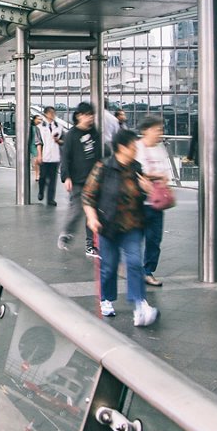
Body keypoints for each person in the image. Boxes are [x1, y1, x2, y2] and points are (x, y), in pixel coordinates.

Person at [83, 129, 158, 327]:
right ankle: (106, 299)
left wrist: (148, 190)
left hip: (133, 225)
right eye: (133, 146)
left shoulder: (136, 168)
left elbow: (143, 194)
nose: (136, 150)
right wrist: (92, 217)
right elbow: (88, 196)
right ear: (122, 148)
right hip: (108, 226)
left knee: (134, 262)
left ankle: (139, 303)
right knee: (109, 266)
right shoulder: (104, 167)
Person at [134, 116, 174, 287]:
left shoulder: (160, 149)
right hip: (138, 201)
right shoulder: (136, 147)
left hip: (156, 201)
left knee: (154, 239)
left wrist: (164, 180)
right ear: (146, 130)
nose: (160, 133)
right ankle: (133, 269)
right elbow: (136, 172)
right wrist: (157, 175)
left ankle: (148, 271)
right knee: (135, 238)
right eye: (157, 129)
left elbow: (166, 171)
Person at [58, 103, 100, 257]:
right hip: (77, 180)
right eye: (87, 114)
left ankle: (91, 246)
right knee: (77, 210)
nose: (90, 118)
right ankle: (66, 233)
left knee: (92, 213)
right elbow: (65, 157)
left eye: (92, 114)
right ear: (79, 116)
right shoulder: (72, 134)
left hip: (93, 180)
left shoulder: (94, 133)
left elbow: (99, 155)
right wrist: (66, 177)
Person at [36, 107, 64, 205]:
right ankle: (41, 191)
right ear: (45, 114)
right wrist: (39, 155)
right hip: (44, 156)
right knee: (43, 177)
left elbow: (63, 141)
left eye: (53, 113)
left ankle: (50, 199)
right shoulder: (40, 127)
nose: (52, 115)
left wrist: (58, 140)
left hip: (55, 156)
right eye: (50, 113)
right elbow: (38, 142)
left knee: (53, 179)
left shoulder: (59, 127)